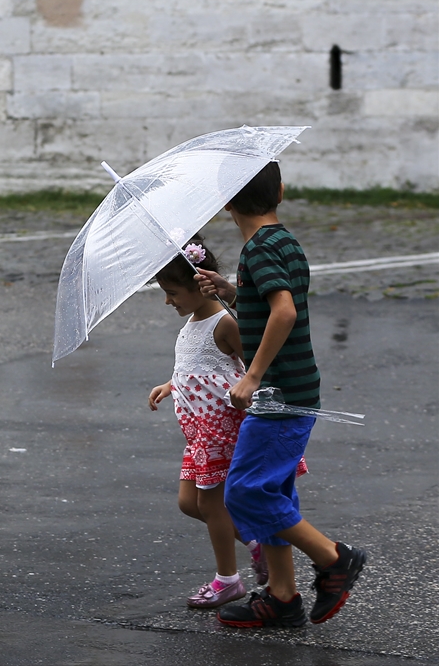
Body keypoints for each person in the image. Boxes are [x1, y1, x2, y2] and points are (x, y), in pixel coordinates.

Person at [196, 161, 367, 627]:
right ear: (282, 192)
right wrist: (233, 291)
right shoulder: (281, 241)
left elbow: (284, 312)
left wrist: (251, 376)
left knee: (246, 492)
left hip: (279, 392)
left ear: (227, 203)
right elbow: (270, 303)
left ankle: (335, 558)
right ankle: (282, 596)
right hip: (292, 386)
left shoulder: (259, 249)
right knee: (272, 491)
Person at [147, 235, 266, 608]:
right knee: (189, 503)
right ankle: (254, 543)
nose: (168, 300)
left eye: (172, 292)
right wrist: (170, 384)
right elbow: (196, 368)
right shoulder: (191, 323)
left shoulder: (223, 323)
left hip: (220, 430)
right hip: (198, 433)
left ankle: (227, 580)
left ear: (200, 284)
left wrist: (253, 389)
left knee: (211, 506)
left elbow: (253, 366)